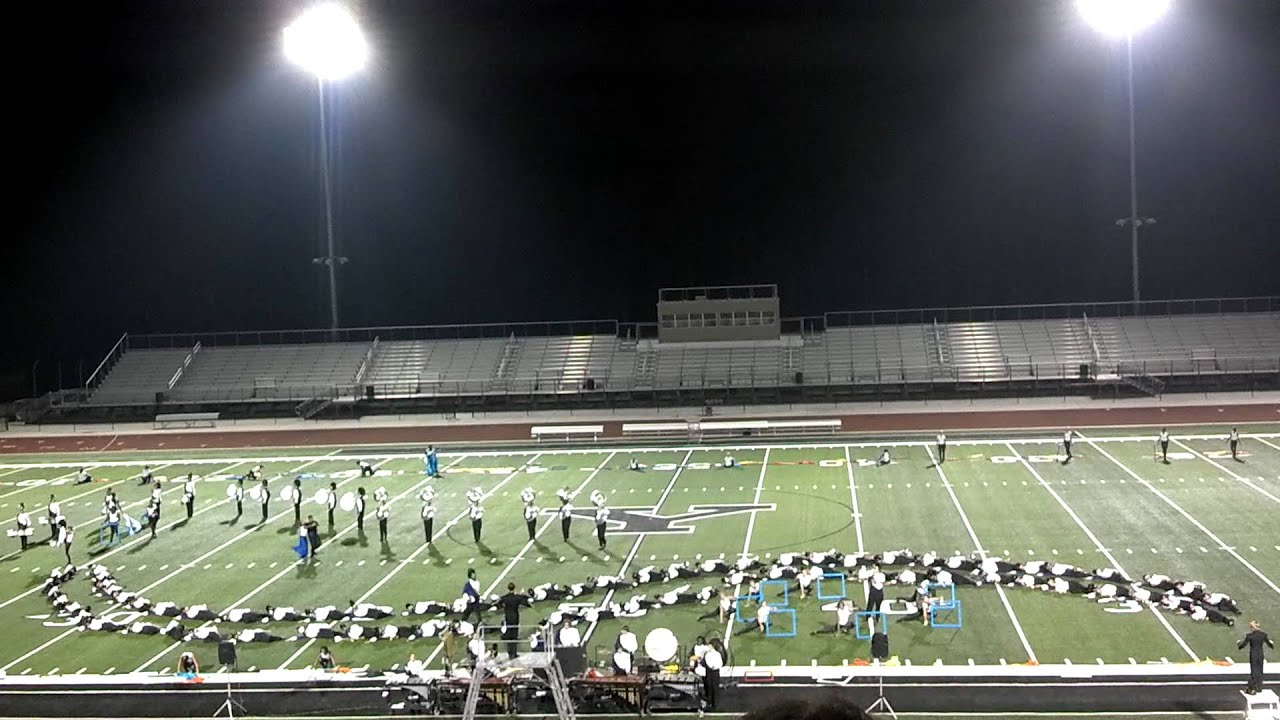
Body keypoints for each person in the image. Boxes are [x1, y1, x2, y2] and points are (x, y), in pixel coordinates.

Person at [1239, 621, 1274, 694]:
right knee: (1260, 671)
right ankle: (1259, 687)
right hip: (1260, 654)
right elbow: (1270, 645)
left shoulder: (1249, 636)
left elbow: (1242, 646)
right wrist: (1272, 643)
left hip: (1253, 655)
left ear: (1252, 627)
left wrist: (1238, 643)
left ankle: (1253, 687)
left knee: (1254, 671)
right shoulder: (1263, 635)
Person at [499, 582, 531, 659]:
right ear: (514, 588)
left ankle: (510, 652)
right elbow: (525, 600)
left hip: (508, 617)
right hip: (515, 617)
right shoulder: (517, 597)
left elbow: (499, 604)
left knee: (509, 633)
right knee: (514, 635)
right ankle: (514, 653)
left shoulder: (505, 598)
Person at [702, 639, 724, 710]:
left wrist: (714, 666)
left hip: (715, 672)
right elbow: (707, 662)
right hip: (709, 672)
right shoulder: (707, 654)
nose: (708, 647)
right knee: (709, 687)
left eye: (709, 646)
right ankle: (710, 702)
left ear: (712, 646)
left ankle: (715, 704)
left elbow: (720, 663)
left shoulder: (717, 654)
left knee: (715, 688)